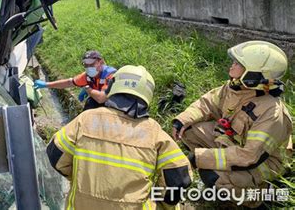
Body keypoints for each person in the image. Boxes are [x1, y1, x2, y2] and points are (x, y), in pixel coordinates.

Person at [47, 65, 192, 209]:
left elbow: (55, 154)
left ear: (112, 87)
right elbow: (179, 177)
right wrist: (161, 202)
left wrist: (80, 179)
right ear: (148, 95)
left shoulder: (85, 119)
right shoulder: (154, 132)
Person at [172, 41, 292, 205]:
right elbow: (207, 103)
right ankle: (220, 170)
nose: (231, 66)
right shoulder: (237, 87)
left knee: (214, 177)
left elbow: (249, 156)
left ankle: (266, 196)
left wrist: (199, 158)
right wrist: (182, 120)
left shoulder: (272, 113)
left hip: (263, 162)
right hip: (234, 142)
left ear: (253, 75)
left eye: (238, 64)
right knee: (189, 130)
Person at [34, 50, 116, 110]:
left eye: (91, 64)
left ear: (100, 62)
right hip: (100, 101)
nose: (88, 67)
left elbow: (101, 98)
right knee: (90, 103)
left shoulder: (110, 75)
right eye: (86, 65)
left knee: (92, 102)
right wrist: (46, 84)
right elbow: (69, 82)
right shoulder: (88, 76)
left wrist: (87, 89)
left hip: (115, 107)